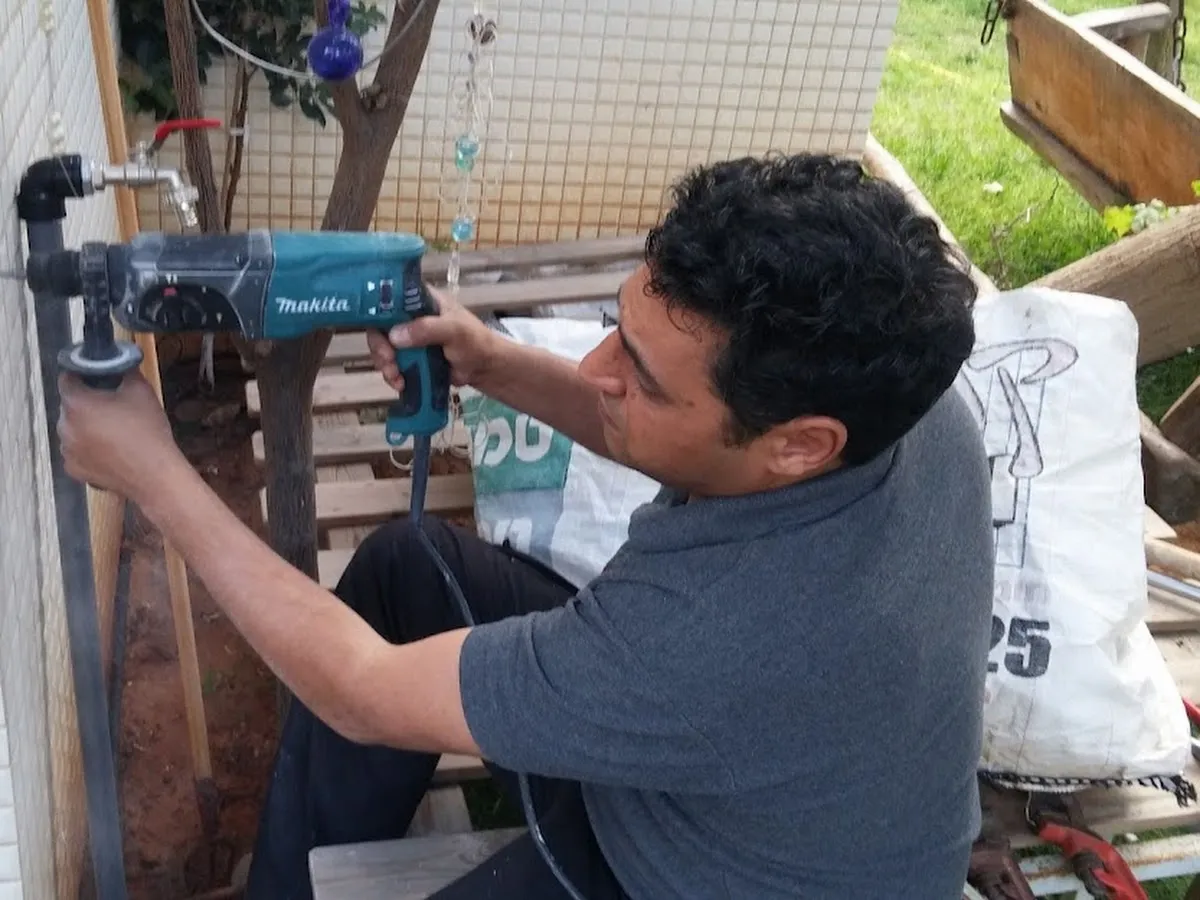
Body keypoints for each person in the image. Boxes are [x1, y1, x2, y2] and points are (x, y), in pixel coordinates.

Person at [57, 152, 995, 900]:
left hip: (692, 872)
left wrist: (155, 475)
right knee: (407, 566)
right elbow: (688, 442)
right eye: (618, 327)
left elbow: (360, 691)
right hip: (747, 788)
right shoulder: (910, 412)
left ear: (800, 444)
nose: (595, 370)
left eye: (641, 376)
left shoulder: (706, 638)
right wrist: (490, 359)